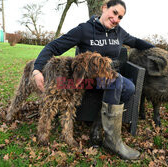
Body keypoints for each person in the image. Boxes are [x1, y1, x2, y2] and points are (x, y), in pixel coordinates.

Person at [33, 0, 155, 160]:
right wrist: (37, 69)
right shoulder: (84, 29)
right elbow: (53, 47)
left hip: (108, 76)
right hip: (86, 80)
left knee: (130, 87)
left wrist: (156, 50)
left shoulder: (119, 32)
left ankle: (98, 125)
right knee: (117, 82)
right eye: (115, 13)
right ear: (104, 8)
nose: (117, 19)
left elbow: (136, 42)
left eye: (120, 17)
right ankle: (112, 140)